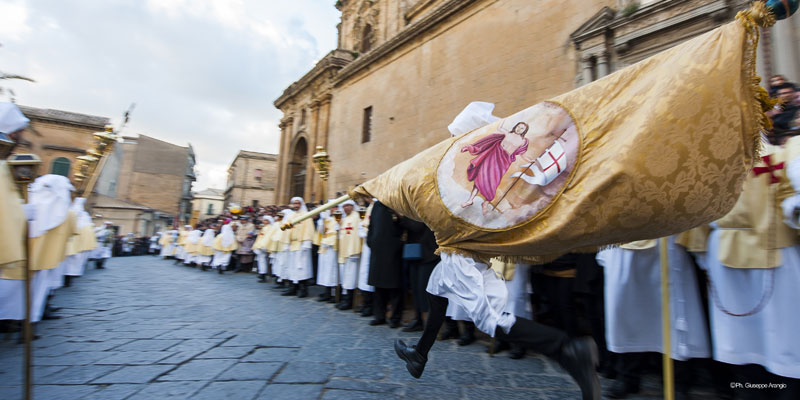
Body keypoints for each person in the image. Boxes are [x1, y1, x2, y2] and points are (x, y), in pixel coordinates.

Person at [702, 137, 800, 399]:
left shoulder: (785, 154)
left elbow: (792, 197)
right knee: (741, 337)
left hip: (775, 254)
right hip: (725, 254)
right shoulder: (709, 161)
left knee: (783, 333)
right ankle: (749, 389)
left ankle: (784, 390)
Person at [597, 238, 711, 399]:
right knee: (626, 316)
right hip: (625, 244)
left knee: (672, 315)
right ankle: (628, 377)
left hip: (666, 243)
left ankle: (677, 381)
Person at [460, 121, 530, 214]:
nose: (519, 129)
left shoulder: (523, 141)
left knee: (494, 182)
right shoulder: (507, 133)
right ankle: (470, 200)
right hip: (493, 156)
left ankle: (486, 202)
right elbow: (499, 127)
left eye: (522, 128)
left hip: (504, 162)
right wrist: (504, 120)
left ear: (524, 131)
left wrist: (530, 160)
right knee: (480, 176)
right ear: (515, 126)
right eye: (518, 127)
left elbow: (523, 154)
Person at [398, 214, 440, 332]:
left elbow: (416, 226)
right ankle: (418, 320)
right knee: (416, 289)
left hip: (428, 254)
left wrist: (401, 216)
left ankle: (429, 323)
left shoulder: (424, 208)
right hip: (416, 253)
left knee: (424, 291)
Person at [367, 201, 405, 328]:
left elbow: (403, 224)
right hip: (378, 251)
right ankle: (379, 315)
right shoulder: (377, 205)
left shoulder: (398, 202)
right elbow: (371, 225)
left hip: (393, 251)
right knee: (378, 286)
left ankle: (395, 317)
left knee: (394, 286)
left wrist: (398, 244)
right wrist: (371, 241)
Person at [284, 197, 314, 298]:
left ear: (301, 204)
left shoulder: (306, 215)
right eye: (294, 203)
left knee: (302, 267)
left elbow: (309, 229)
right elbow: (287, 230)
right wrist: (286, 243)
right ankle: (293, 287)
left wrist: (306, 242)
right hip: (292, 244)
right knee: (292, 266)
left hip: (301, 244)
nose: (296, 205)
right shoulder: (291, 215)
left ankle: (303, 288)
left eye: (298, 203)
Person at [335, 200, 362, 310]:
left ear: (353, 206)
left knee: (350, 277)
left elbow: (357, 234)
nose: (346, 208)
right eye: (344, 205)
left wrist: (355, 250)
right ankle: (344, 298)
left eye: (348, 205)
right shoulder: (344, 219)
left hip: (352, 251)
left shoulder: (357, 217)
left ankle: (349, 301)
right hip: (343, 251)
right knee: (345, 277)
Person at [316, 206, 339, 302]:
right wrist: (322, 220)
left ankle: (334, 293)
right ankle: (327, 291)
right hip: (325, 246)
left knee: (332, 270)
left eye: (334, 207)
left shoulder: (339, 218)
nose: (332, 209)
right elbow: (321, 231)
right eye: (331, 208)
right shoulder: (327, 219)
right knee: (325, 270)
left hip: (333, 247)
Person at [356, 199, 375, 316]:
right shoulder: (369, 207)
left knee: (368, 273)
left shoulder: (375, 206)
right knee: (363, 273)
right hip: (366, 244)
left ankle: (370, 304)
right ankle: (365, 302)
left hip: (371, 244)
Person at [253, 216, 274, 282]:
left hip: (263, 246)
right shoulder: (264, 227)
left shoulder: (269, 228)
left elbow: (267, 238)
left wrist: (263, 246)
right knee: (261, 260)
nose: (264, 222)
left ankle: (263, 274)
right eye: (264, 220)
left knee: (263, 260)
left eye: (266, 220)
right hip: (260, 245)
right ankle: (261, 273)